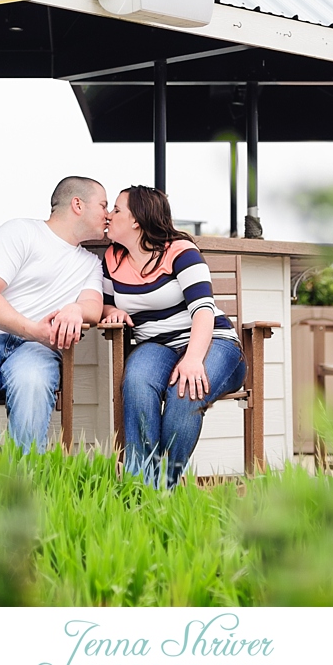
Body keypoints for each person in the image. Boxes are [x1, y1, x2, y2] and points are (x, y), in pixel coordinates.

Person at [0, 176, 109, 453]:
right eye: (103, 205)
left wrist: (75, 308)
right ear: (78, 204)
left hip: (34, 349)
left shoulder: (89, 263)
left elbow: (93, 305)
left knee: (32, 388)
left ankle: (23, 476)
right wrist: (32, 330)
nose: (108, 214)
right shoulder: (20, 232)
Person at [100, 186, 246, 489]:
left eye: (116, 209)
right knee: (137, 384)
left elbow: (203, 309)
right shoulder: (113, 258)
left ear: (136, 220)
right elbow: (105, 302)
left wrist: (193, 358)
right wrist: (112, 311)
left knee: (185, 392)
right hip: (156, 346)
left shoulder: (180, 252)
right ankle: (140, 487)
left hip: (211, 342)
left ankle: (165, 486)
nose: (108, 215)